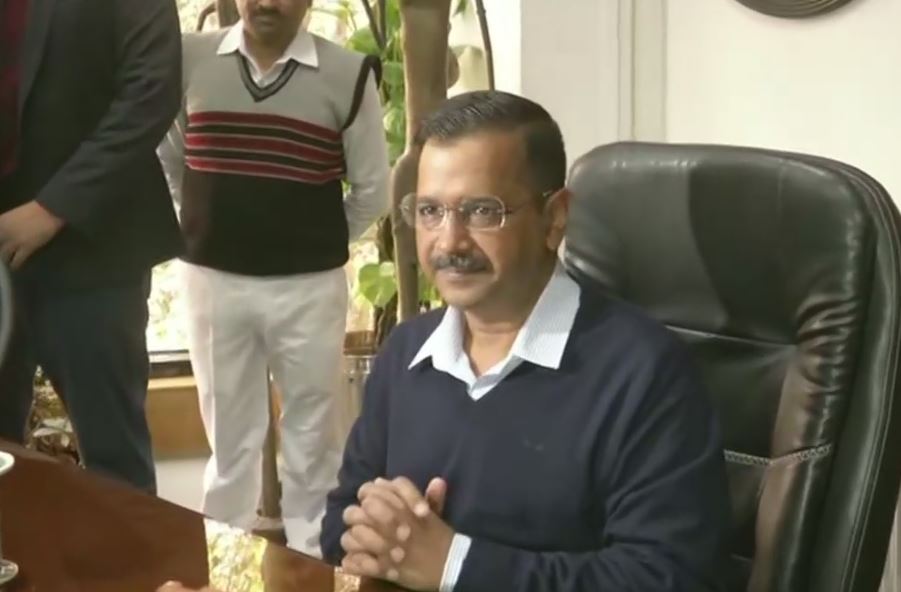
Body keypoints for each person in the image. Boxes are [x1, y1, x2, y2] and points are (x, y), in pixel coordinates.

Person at [319, 90, 732, 591]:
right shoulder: (406, 352)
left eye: (481, 211)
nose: (449, 242)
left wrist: (454, 566)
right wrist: (377, 534)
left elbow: (667, 578)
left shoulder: (646, 372)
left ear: (554, 218)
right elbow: (340, 523)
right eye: (430, 211)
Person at [158, 0, 390, 555]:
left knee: (315, 442)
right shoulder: (189, 59)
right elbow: (170, 159)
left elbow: (372, 191)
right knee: (230, 444)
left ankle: (315, 565)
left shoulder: (348, 74)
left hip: (309, 289)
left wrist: (309, 239)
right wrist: (208, 223)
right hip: (212, 282)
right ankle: (224, 565)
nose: (268, 3)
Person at [0, 0, 183, 492]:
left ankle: (136, 573)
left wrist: (52, 209)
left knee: (115, 466)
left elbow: (151, 91)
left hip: (94, 250)